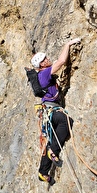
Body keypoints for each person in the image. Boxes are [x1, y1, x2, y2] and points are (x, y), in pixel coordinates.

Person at [31, 38, 81, 185]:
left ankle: (43, 172)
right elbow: (60, 62)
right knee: (66, 121)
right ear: (41, 64)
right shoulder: (44, 73)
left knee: (52, 139)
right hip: (51, 109)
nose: (48, 59)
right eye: (45, 59)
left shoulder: (42, 75)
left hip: (48, 110)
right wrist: (68, 45)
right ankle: (54, 151)